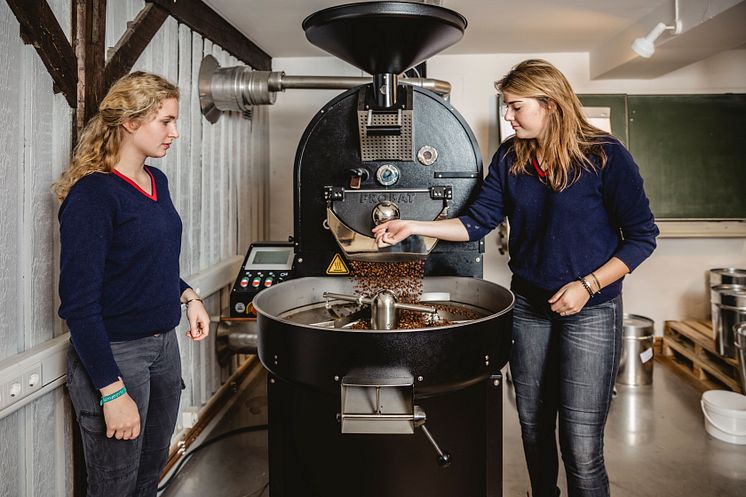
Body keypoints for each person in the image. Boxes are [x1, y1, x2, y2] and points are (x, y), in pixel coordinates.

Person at [373, 59, 658, 497]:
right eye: (508, 107)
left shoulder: (605, 156)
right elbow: (477, 221)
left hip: (591, 311)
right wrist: (414, 225)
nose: (508, 116)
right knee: (533, 427)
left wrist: (588, 286)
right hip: (528, 308)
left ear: (551, 105)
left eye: (515, 107)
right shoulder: (512, 157)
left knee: (580, 446)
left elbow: (641, 237)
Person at [53, 71, 210, 497]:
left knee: (147, 478)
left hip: (164, 348)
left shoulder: (157, 182)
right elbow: (79, 305)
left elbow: (147, 263)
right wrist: (111, 390)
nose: (174, 134)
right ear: (130, 122)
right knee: (114, 488)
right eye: (166, 121)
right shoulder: (93, 195)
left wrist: (188, 295)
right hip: (117, 355)